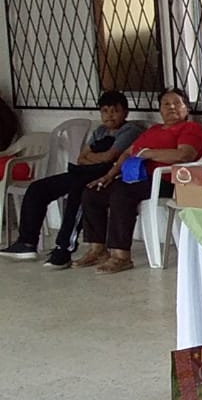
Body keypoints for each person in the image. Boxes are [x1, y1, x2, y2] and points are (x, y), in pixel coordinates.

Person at [0, 91, 144, 268]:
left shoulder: (130, 131)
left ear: (125, 113)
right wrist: (96, 158)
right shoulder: (100, 130)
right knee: (38, 188)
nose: (109, 115)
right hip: (82, 172)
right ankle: (26, 243)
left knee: (78, 194)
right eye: (105, 111)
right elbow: (81, 158)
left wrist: (93, 158)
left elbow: (109, 157)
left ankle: (63, 249)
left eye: (115, 111)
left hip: (106, 176)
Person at [75, 89, 202, 274]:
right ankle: (97, 249)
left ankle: (121, 256)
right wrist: (109, 176)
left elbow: (184, 155)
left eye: (177, 103)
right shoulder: (154, 130)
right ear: (160, 110)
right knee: (93, 191)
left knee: (122, 193)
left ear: (186, 108)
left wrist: (149, 153)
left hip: (166, 180)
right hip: (139, 177)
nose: (171, 107)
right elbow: (128, 152)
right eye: (166, 104)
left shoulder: (190, 129)